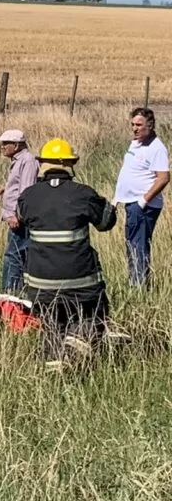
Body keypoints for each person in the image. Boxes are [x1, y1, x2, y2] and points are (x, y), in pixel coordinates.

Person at [18, 138, 117, 371]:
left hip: (39, 281)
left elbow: (20, 217)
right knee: (96, 311)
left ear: (42, 164)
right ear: (69, 165)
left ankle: (54, 361)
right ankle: (80, 338)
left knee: (51, 321)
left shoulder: (28, 196)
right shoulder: (83, 193)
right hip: (80, 280)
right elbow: (106, 222)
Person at [113, 107, 169, 287]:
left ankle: (139, 287)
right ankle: (133, 282)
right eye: (133, 125)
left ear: (150, 125)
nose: (135, 128)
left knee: (139, 247)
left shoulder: (156, 148)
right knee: (131, 246)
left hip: (144, 206)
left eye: (139, 125)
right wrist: (116, 198)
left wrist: (143, 201)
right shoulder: (135, 143)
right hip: (129, 203)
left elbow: (163, 177)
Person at [0, 129, 37, 293]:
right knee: (16, 255)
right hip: (17, 218)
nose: (2, 147)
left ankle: (11, 293)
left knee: (14, 256)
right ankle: (14, 292)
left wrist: (16, 215)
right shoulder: (20, 160)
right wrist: (5, 188)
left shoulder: (27, 161)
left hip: (20, 221)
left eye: (5, 144)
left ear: (16, 145)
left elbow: (26, 192)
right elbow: (20, 184)